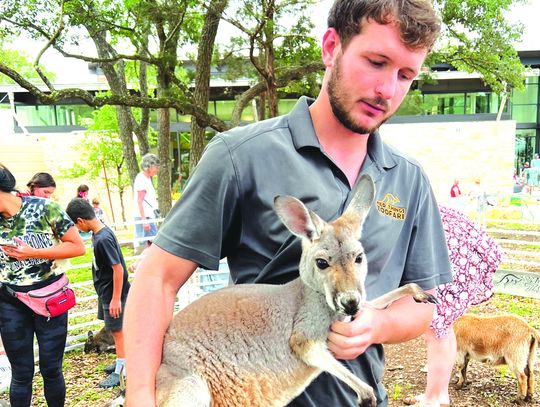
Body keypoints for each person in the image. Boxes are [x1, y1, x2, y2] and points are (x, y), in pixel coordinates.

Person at [123, 1, 452, 406]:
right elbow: (158, 277)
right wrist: (140, 395)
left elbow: (423, 307)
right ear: (331, 47)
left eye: (405, 75)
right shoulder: (242, 155)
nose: (388, 90)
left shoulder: (407, 178)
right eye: (376, 61)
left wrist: (377, 325)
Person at [0, 163, 85, 407]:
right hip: (10, 302)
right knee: (21, 374)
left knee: (51, 368)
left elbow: (77, 247)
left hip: (49, 298)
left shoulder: (44, 208)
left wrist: (33, 252)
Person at [403, 205, 502, 407]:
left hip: (446, 248)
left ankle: (435, 398)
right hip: (447, 241)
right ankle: (437, 394)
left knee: (437, 327)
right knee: (440, 327)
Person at [66, 198, 130, 389]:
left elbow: (118, 269)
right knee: (115, 329)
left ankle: (121, 371)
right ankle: (122, 361)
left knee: (118, 332)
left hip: (113, 293)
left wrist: (116, 298)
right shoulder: (99, 232)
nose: (78, 230)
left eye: (76, 226)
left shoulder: (102, 239)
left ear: (80, 221)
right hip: (106, 291)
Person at [132, 153, 160, 253]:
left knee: (151, 244)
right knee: (147, 245)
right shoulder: (141, 179)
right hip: (144, 217)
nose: (157, 169)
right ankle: (139, 265)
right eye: (156, 167)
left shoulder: (147, 179)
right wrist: (144, 220)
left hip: (148, 215)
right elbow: (140, 201)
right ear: (149, 166)